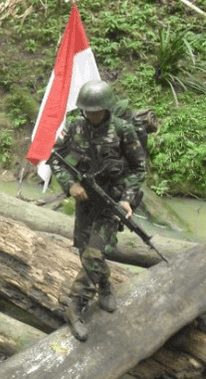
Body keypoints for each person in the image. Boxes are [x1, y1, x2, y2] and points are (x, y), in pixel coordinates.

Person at [49, 80, 146, 342]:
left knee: (93, 253)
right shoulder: (75, 128)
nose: (91, 115)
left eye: (96, 111)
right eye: (87, 110)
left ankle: (75, 305)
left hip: (111, 204)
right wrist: (71, 185)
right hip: (85, 203)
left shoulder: (122, 130)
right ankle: (104, 286)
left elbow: (139, 169)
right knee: (86, 253)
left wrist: (127, 200)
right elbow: (56, 159)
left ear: (106, 108)